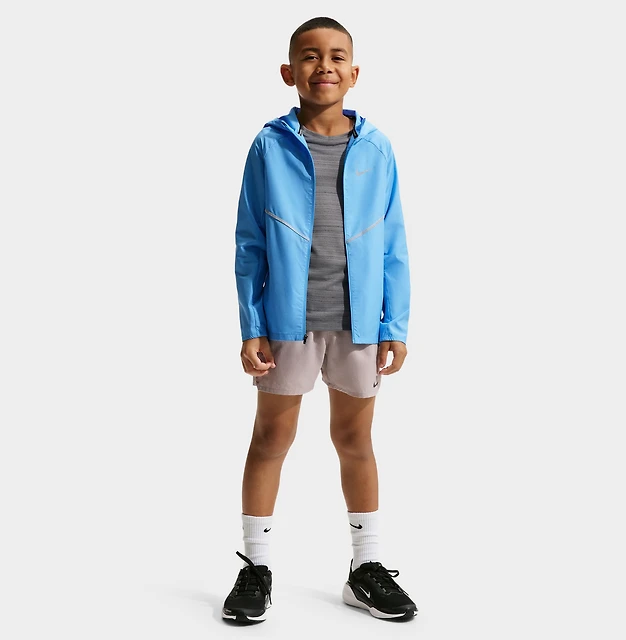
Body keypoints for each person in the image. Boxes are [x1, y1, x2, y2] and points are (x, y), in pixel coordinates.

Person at [222, 16, 416, 624]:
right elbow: (250, 241)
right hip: (288, 323)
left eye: (335, 56)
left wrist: (394, 324)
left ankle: (366, 568)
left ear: (354, 73)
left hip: (358, 324)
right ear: (289, 72)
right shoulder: (269, 146)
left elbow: (393, 242)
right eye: (309, 56)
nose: (323, 66)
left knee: (355, 441)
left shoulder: (377, 148)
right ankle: (256, 567)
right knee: (271, 439)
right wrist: (252, 323)